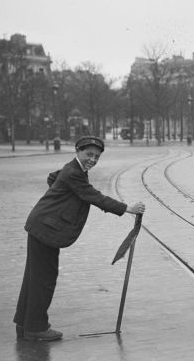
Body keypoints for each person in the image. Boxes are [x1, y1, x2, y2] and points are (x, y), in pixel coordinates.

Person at [13, 136, 145, 341]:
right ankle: (36, 329)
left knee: (34, 278)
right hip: (45, 229)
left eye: (97, 157)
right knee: (44, 280)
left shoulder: (72, 170)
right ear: (77, 151)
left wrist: (59, 201)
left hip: (41, 226)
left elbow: (52, 177)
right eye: (89, 154)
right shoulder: (74, 172)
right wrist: (127, 208)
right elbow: (94, 196)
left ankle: (25, 325)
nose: (92, 159)